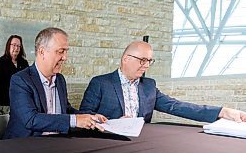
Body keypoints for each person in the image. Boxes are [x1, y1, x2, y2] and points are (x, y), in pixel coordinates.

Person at [79, 41, 246, 123]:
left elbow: (176, 106)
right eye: (142, 60)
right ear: (125, 59)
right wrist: (113, 124)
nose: (145, 66)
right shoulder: (100, 83)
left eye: (149, 61)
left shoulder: (149, 86)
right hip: (107, 144)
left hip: (140, 145)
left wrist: (223, 112)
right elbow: (84, 116)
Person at [3, 27, 107, 139]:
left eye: (66, 52)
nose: (65, 58)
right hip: (24, 146)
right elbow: (31, 120)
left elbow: (66, 110)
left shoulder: (60, 79)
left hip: (58, 143)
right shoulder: (20, 80)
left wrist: (90, 117)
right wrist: (75, 120)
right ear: (42, 52)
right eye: (61, 51)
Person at [0, 35, 29, 117]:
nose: (16, 48)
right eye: (14, 45)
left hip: (20, 104)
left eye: (19, 46)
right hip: (3, 104)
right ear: (9, 46)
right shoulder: (0, 63)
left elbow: (27, 82)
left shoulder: (24, 63)